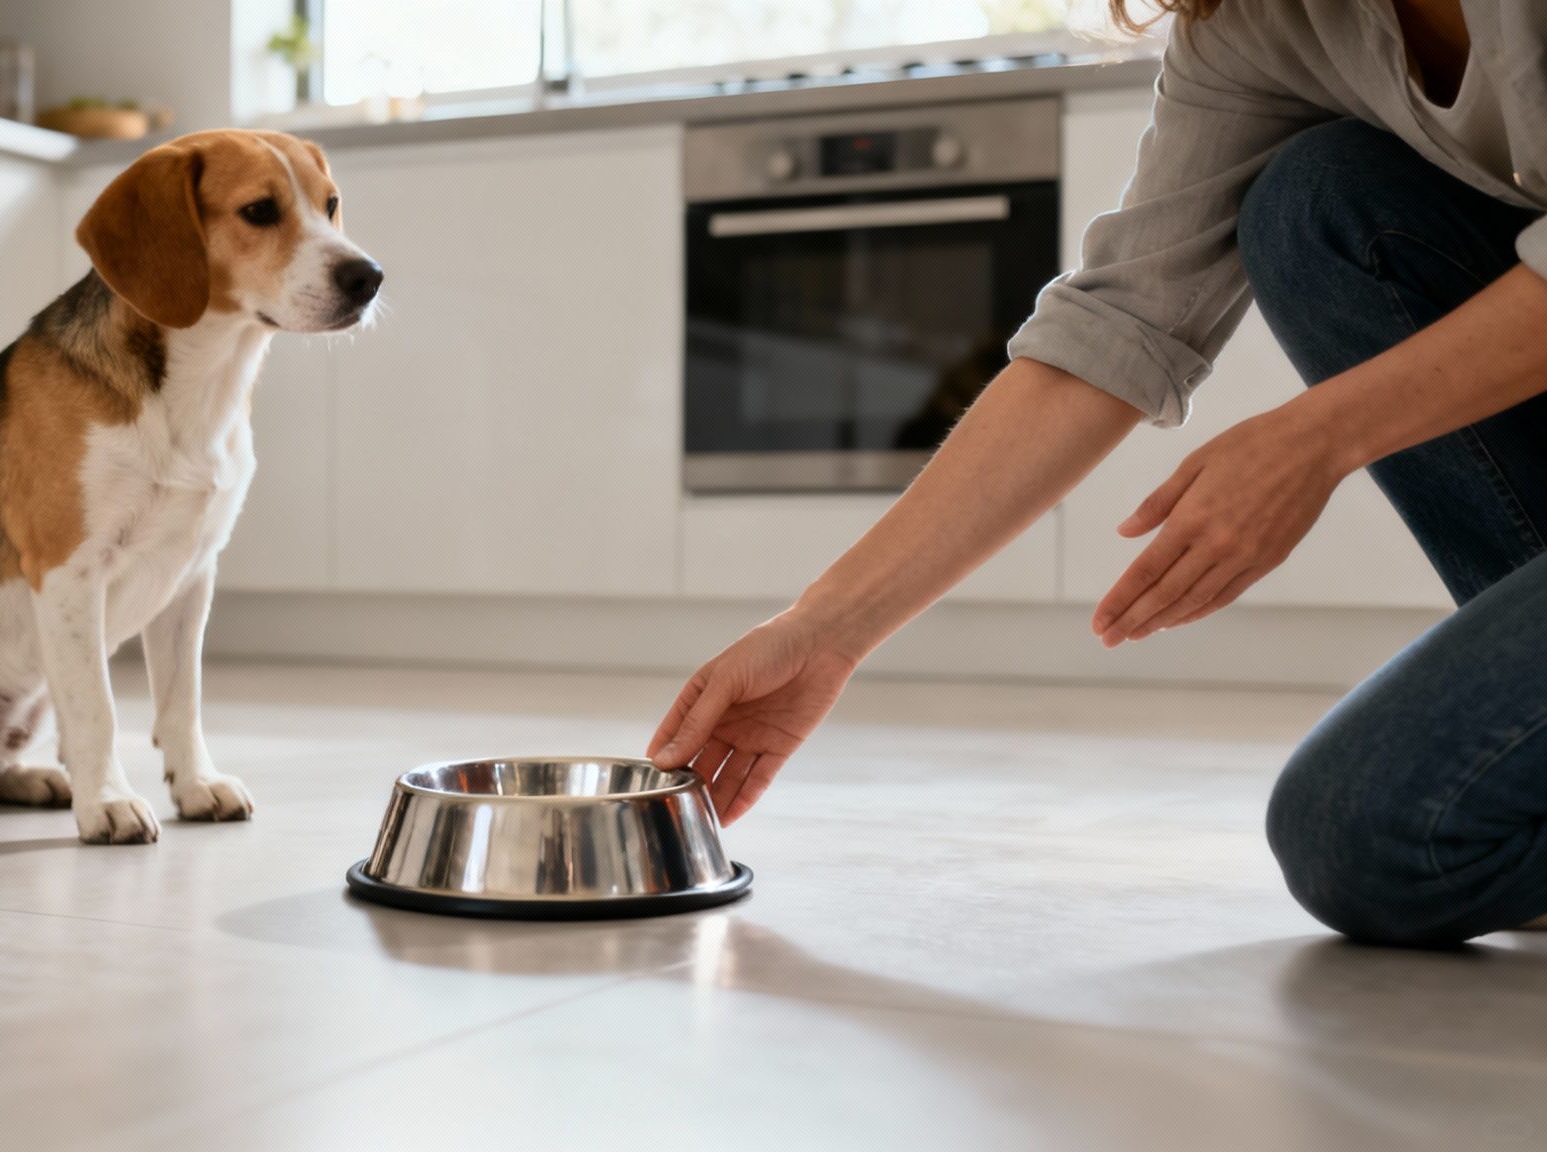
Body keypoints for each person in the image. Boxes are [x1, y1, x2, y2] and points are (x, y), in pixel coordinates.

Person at [649, 0, 1547, 948]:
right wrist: (823, 630)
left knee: (1371, 838)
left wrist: (1316, 437)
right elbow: (1121, 322)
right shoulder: (1264, 23)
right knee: (1318, 200)